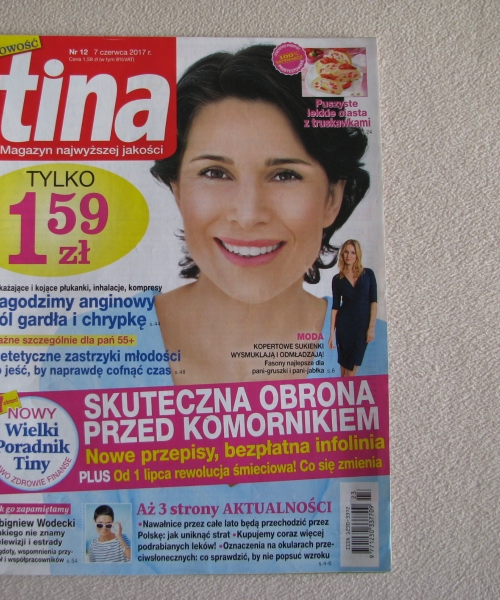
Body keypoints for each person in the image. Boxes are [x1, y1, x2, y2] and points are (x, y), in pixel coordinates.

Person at [151, 45, 370, 384]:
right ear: (177, 190)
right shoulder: (92, 349)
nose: (248, 215)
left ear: (333, 197)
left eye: (285, 175)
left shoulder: (379, 347)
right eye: (215, 173)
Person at [328, 240, 377, 377]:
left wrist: (371, 327)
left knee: (350, 372)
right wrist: (331, 334)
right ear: (342, 254)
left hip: (362, 327)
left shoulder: (368, 274)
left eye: (353, 252)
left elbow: (374, 302)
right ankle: (343, 391)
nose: (349, 255)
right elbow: (335, 307)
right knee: (343, 371)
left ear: (357, 254)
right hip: (344, 326)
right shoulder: (337, 279)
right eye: (346, 252)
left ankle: (347, 391)